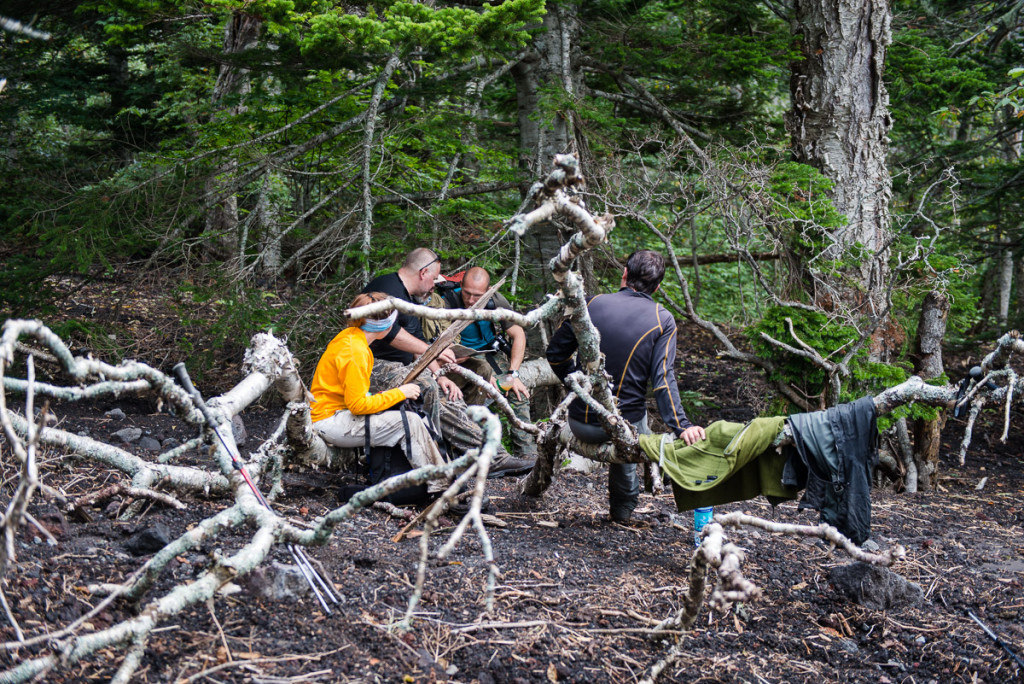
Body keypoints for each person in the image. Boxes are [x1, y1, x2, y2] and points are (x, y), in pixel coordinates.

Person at [546, 249, 706, 522]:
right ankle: (623, 509)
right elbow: (663, 380)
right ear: (657, 287)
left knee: (629, 418)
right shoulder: (662, 319)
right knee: (634, 420)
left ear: (624, 274)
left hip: (579, 423)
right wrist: (682, 426)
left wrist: (577, 387)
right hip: (619, 428)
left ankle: (635, 492)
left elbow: (556, 354)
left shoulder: (591, 303)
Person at [362, 248, 535, 478]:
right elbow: (390, 333)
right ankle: (446, 464)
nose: (436, 285)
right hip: (374, 366)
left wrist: (440, 373)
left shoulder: (411, 299)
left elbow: (416, 346)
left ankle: (488, 456)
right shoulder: (387, 288)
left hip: (407, 367)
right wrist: (433, 354)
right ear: (423, 273)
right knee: (430, 390)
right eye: (434, 279)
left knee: (448, 391)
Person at [309, 292, 446, 493]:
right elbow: (357, 406)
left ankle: (437, 478)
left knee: (407, 416)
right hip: (329, 421)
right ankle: (442, 487)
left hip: (332, 413)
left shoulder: (350, 336)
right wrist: (400, 392)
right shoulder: (356, 351)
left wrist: (387, 397)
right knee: (410, 421)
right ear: (386, 326)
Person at [437, 267, 538, 460]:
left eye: (478, 296)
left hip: (491, 353)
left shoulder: (495, 300)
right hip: (462, 358)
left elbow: (518, 334)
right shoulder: (446, 303)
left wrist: (513, 374)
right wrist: (487, 377)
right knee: (482, 393)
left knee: (518, 393)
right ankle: (489, 454)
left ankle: (527, 455)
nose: (471, 300)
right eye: (467, 293)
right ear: (461, 286)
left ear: (488, 291)